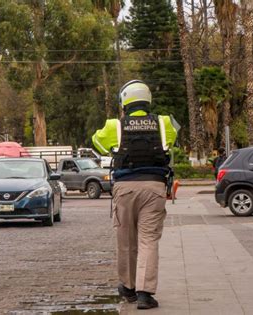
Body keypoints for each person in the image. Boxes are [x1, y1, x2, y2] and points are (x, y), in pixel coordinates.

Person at [92, 80, 177, 310]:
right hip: (154, 187)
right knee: (148, 239)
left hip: (125, 188)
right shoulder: (163, 122)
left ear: (124, 100)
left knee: (126, 239)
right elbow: (172, 141)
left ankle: (128, 287)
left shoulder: (114, 125)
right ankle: (145, 294)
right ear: (147, 99)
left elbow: (97, 142)